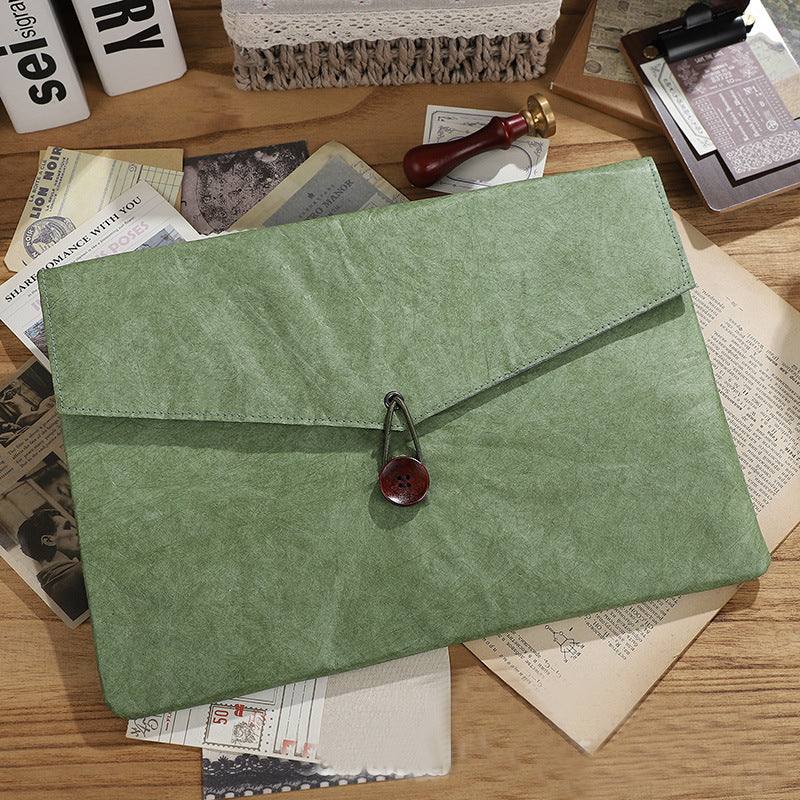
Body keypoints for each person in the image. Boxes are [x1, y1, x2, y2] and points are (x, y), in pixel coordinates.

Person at [16, 509, 88, 621]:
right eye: (67, 527)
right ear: (48, 541)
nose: (76, 530)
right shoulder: (82, 573)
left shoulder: (43, 595)